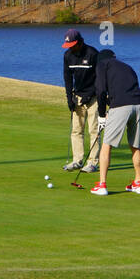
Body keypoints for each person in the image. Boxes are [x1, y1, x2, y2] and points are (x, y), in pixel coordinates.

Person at [90, 48, 140, 196]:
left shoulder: (102, 65)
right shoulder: (127, 67)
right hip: (139, 104)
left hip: (122, 106)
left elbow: (100, 91)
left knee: (107, 145)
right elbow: (122, 91)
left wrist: (101, 115)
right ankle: (138, 183)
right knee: (135, 145)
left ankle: (102, 185)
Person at [60, 28, 100, 173]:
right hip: (77, 96)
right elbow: (67, 78)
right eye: (68, 46)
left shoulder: (92, 53)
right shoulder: (67, 56)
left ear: (79, 42)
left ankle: (92, 163)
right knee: (76, 130)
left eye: (72, 45)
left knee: (94, 130)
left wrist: (89, 95)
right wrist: (69, 98)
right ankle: (77, 160)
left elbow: (100, 79)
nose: (70, 48)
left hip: (93, 97)